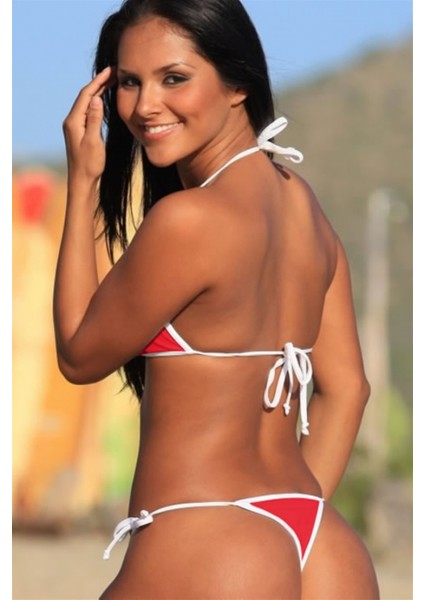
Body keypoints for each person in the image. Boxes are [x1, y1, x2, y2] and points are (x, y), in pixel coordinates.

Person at [54, 0, 380, 597]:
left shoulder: (190, 221)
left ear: (238, 84)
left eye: (174, 78)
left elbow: (79, 354)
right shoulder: (304, 209)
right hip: (317, 537)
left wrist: (82, 182)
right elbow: (348, 388)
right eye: (129, 82)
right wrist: (285, 526)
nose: (145, 106)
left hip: (205, 537)